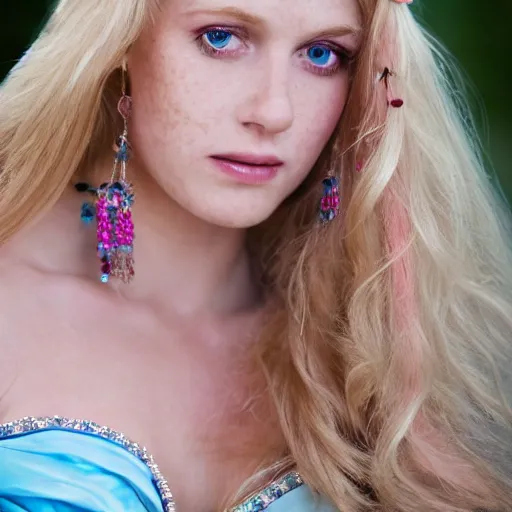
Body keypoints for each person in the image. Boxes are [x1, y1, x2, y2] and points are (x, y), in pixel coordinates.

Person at [0, 0, 511, 510]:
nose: (274, 111)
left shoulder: (378, 345)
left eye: (322, 54)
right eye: (221, 38)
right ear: (120, 42)